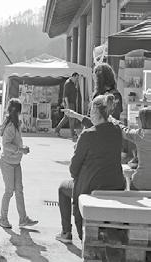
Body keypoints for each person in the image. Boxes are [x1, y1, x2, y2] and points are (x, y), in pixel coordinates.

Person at [56, 94, 124, 243]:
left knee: (63, 187)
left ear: (95, 112)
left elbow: (73, 170)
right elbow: (101, 127)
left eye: (90, 110)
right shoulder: (117, 131)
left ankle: (66, 233)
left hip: (89, 189)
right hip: (115, 187)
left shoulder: (87, 135)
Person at [0, 98, 38, 229]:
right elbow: (6, 145)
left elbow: (15, 142)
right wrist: (21, 149)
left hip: (15, 162)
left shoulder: (16, 123)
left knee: (19, 191)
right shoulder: (10, 126)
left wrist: (22, 148)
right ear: (17, 111)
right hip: (8, 163)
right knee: (9, 191)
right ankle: (2, 218)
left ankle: (23, 219)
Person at [55, 73, 79, 139]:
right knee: (72, 119)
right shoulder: (68, 83)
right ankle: (73, 134)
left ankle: (57, 130)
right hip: (69, 103)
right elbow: (65, 96)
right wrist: (67, 106)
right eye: (76, 78)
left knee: (66, 118)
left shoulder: (73, 83)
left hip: (72, 103)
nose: (77, 80)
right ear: (73, 77)